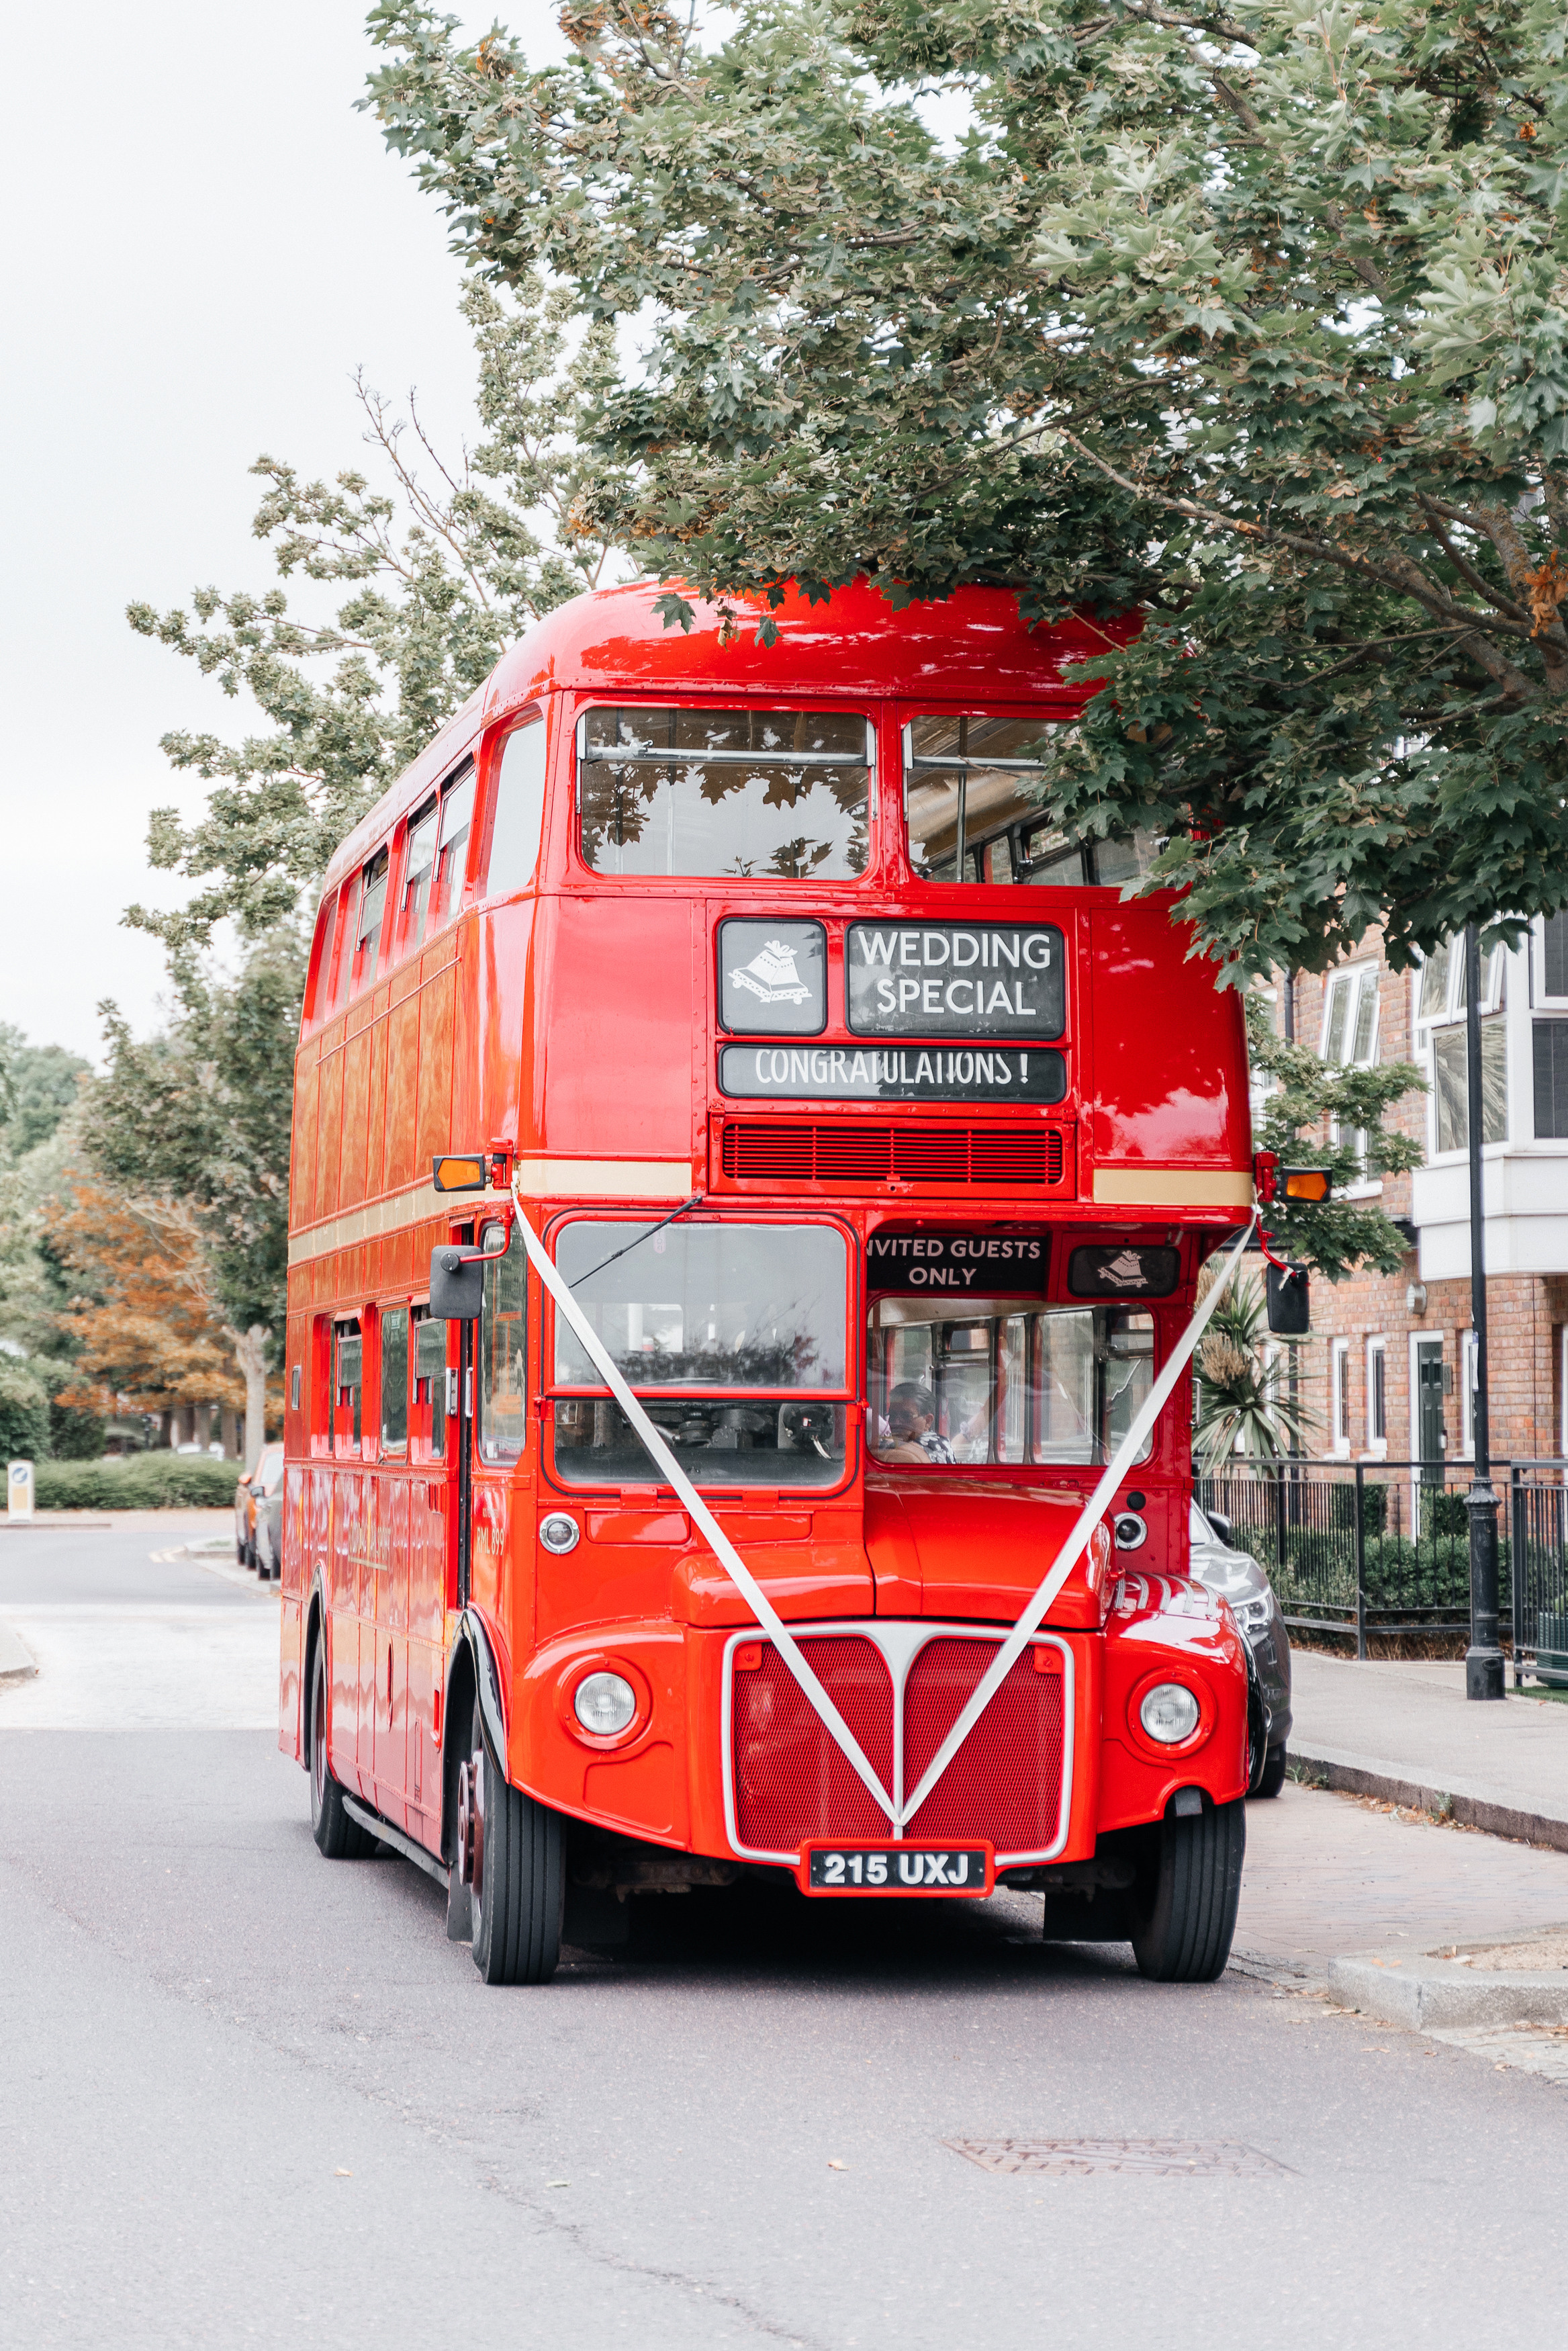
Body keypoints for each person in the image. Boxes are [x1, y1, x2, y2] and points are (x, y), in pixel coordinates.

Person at [876, 1382, 956, 1466]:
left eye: (906, 1416)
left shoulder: (935, 1443)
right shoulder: (897, 1443)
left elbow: (904, 1458)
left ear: (928, 1421)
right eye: (893, 1415)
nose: (896, 1422)